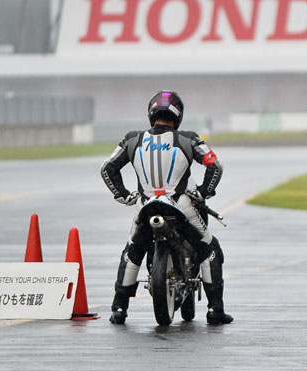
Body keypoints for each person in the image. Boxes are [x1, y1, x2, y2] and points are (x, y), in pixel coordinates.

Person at [100, 90, 233, 325]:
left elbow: (107, 169)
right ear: (178, 115)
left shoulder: (132, 139)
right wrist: (204, 192)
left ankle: (119, 308)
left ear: (151, 114)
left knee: (133, 251)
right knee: (209, 248)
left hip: (145, 205)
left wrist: (124, 196)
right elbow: (215, 166)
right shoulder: (189, 139)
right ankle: (215, 310)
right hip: (181, 204)